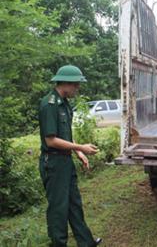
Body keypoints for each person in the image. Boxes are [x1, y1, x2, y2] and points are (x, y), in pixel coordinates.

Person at [38, 65, 102, 247]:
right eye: (75, 85)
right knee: (59, 208)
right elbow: (51, 140)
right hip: (54, 162)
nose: (77, 89)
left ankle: (86, 242)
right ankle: (58, 244)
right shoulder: (49, 104)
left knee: (74, 203)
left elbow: (64, 135)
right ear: (65, 83)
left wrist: (78, 152)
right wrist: (80, 146)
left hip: (65, 161)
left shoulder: (65, 104)